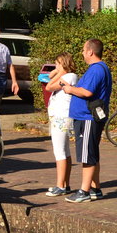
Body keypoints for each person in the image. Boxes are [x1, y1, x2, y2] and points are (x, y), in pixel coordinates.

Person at [62, 38, 112, 203]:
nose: (82, 53)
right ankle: (95, 189)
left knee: (87, 155)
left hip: (87, 118)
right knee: (92, 153)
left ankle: (83, 191)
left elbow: (87, 92)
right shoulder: (98, 68)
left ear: (91, 51)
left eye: (84, 50)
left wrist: (69, 89)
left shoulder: (96, 69)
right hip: (86, 117)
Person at [44, 52, 79, 197]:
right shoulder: (68, 76)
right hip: (61, 116)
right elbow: (50, 78)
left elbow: (49, 87)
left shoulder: (68, 76)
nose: (56, 67)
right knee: (65, 150)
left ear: (63, 64)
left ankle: (60, 185)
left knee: (59, 151)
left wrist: (59, 72)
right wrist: (56, 71)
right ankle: (65, 184)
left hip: (61, 117)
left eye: (57, 63)